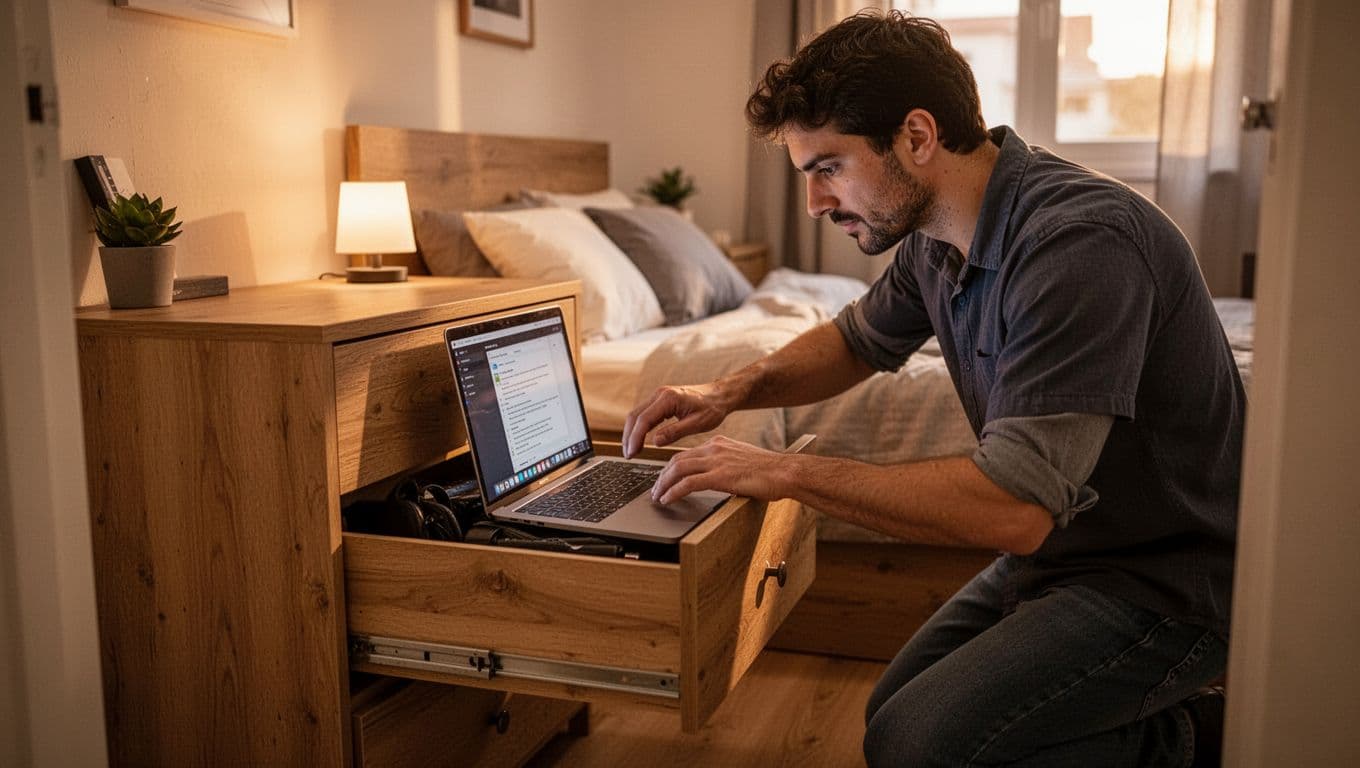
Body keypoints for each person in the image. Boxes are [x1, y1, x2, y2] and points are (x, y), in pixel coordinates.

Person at [622, 10, 1243, 768]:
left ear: (917, 138)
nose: (816, 203)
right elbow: (857, 340)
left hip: (1167, 582)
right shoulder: (938, 238)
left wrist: (787, 472)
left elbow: (1013, 508)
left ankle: (1202, 739)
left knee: (917, 743)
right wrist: (727, 390)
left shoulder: (1078, 244)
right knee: (894, 716)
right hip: (1068, 556)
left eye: (828, 167)